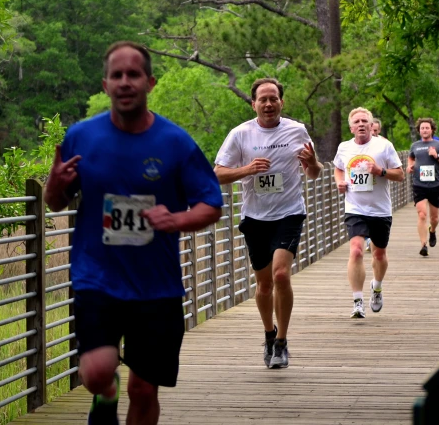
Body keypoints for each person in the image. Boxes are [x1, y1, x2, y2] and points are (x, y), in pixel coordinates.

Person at [44, 41, 223, 425]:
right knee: (96, 372)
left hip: (156, 287)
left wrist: (175, 220)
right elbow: (55, 203)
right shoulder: (81, 137)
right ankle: (105, 397)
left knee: (143, 389)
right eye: (117, 75)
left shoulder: (175, 143)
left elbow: (211, 205)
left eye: (134, 74)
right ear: (106, 84)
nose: (125, 82)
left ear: (150, 82)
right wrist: (54, 184)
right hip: (96, 277)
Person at [214, 78, 323, 369]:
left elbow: (314, 172)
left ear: (281, 103)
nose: (268, 104)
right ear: (253, 104)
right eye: (262, 99)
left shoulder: (297, 130)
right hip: (255, 217)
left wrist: (312, 162)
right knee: (263, 285)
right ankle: (268, 334)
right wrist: (247, 169)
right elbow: (217, 174)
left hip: (288, 213)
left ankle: (282, 342)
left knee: (281, 276)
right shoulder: (240, 134)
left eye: (273, 98)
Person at [334, 108, 404, 318]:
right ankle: (357, 301)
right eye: (357, 121)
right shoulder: (344, 147)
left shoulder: (384, 146)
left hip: (380, 209)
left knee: (379, 254)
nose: (361, 124)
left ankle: (377, 287)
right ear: (351, 127)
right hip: (355, 208)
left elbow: (400, 175)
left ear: (372, 126)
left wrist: (379, 171)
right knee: (356, 250)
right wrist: (340, 182)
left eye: (365, 121)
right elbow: (338, 168)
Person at [407, 118, 439, 257]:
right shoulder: (415, 145)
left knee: (434, 218)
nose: (424, 130)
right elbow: (411, 158)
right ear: (419, 130)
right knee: (422, 214)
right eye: (422, 128)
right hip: (419, 184)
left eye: (427, 128)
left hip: (435, 184)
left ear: (432, 129)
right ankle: (423, 245)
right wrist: (410, 166)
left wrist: (437, 156)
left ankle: (432, 231)